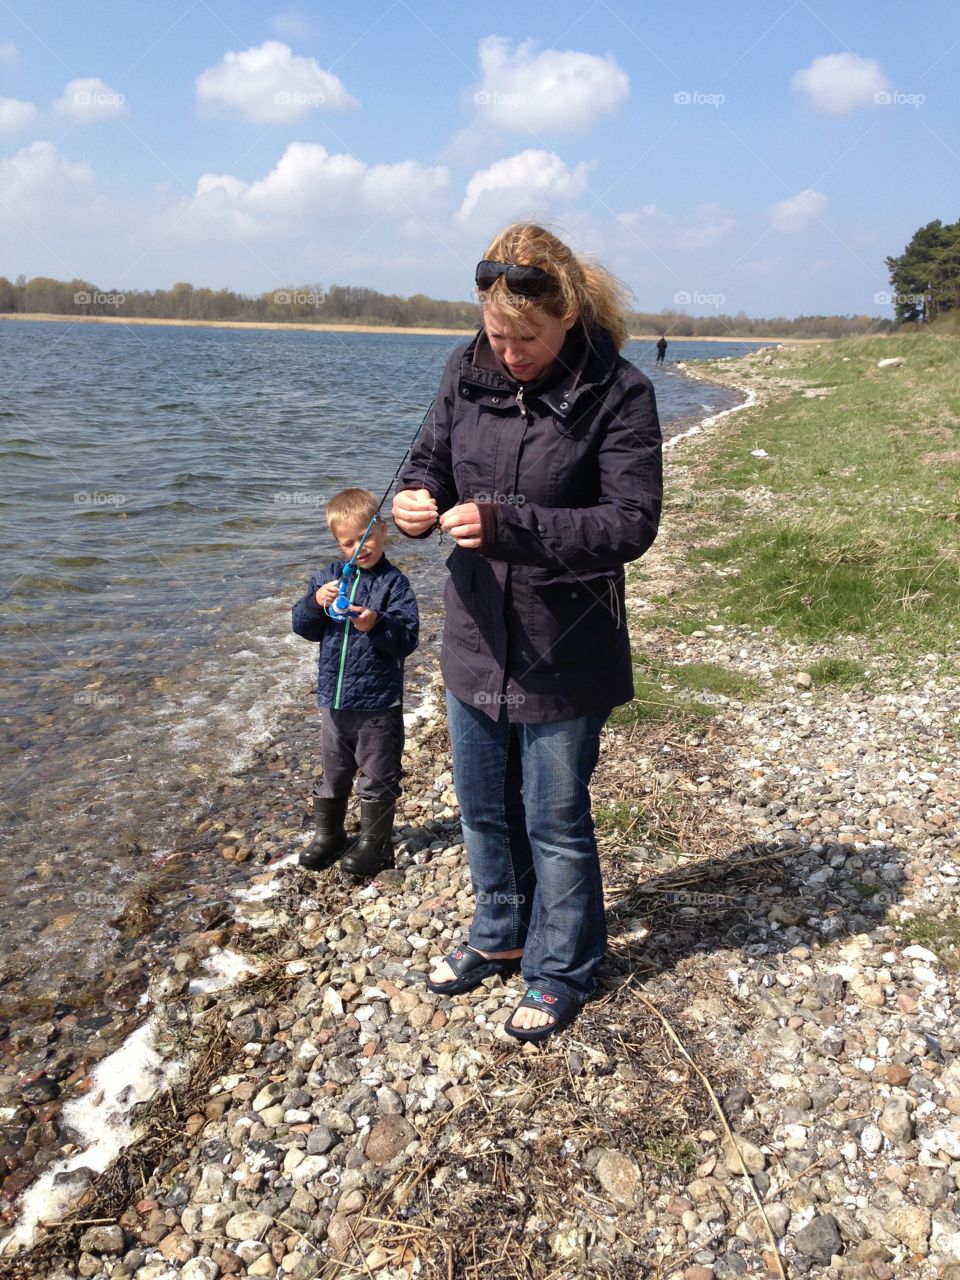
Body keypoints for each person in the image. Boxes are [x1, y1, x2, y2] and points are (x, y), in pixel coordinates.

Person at [393, 223, 663, 1042]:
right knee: (482, 809)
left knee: (553, 819)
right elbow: (429, 461)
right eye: (497, 334)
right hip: (474, 635)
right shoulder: (464, 368)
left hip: (565, 646)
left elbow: (630, 523)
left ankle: (561, 969)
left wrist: (511, 525)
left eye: (527, 338)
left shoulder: (619, 393)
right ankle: (501, 932)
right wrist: (412, 501)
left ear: (569, 314)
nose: (508, 353)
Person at [292, 487, 419, 878]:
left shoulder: (394, 584)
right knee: (334, 772)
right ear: (338, 543)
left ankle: (374, 844)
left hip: (377, 702)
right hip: (334, 700)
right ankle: (328, 834)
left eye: (364, 539)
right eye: (348, 543)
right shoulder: (328, 577)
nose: (358, 549)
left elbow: (407, 638)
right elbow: (303, 627)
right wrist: (316, 601)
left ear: (381, 530)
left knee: (377, 774)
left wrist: (375, 623)